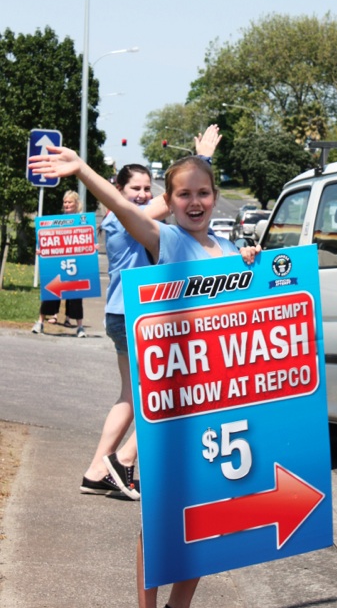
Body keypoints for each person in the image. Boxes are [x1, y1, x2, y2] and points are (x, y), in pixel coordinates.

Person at [29, 142, 260, 608]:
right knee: (162, 522)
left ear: (216, 196)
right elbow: (122, 209)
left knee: (210, 521)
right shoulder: (170, 241)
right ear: (168, 202)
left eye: (203, 193)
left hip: (222, 410)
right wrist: (83, 171)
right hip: (174, 412)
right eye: (183, 195)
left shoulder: (233, 247)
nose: (194, 203)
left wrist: (252, 264)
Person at [80, 127, 223, 500]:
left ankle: (99, 469)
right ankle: (120, 461)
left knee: (133, 397)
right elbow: (165, 203)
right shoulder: (122, 220)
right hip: (135, 316)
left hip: (126, 314)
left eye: (147, 187)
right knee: (165, 397)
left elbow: (172, 200)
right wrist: (201, 162)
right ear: (119, 192)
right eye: (135, 189)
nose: (143, 195)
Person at [32, 189, 87, 337]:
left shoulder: (83, 221)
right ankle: (40, 323)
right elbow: (49, 240)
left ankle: (80, 327)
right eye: (65, 202)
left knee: (76, 295)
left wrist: (92, 247)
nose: (67, 204)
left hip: (76, 264)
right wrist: (41, 250)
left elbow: (88, 241)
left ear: (76, 204)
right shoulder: (57, 221)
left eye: (69, 202)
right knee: (51, 292)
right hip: (58, 263)